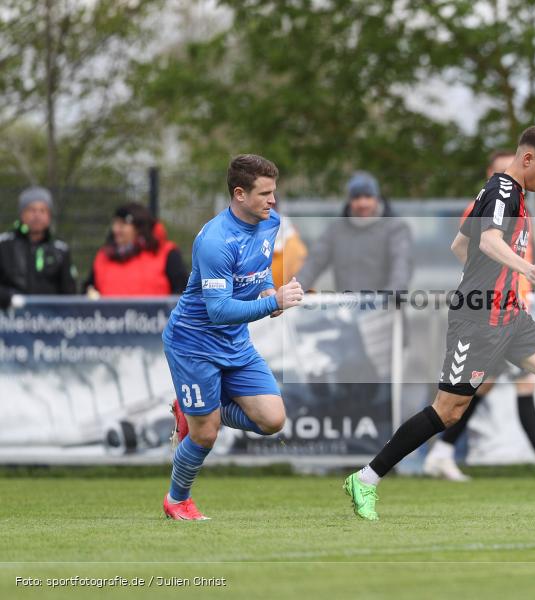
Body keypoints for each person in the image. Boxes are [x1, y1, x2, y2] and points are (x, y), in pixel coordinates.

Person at [343, 124, 535, 520]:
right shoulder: (503, 191)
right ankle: (366, 478)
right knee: (447, 411)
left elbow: (460, 245)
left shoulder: (509, 194)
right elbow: (487, 242)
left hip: (509, 313)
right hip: (478, 319)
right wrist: (524, 269)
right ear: (528, 158)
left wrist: (496, 279)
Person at [422, 150, 535, 481]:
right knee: (466, 396)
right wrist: (487, 294)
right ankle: (440, 452)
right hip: (490, 315)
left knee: (505, 387)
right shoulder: (485, 204)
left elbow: (530, 260)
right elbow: (470, 251)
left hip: (516, 312)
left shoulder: (522, 209)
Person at [161, 154, 305, 520]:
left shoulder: (270, 222)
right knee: (205, 435)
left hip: (234, 342)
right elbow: (218, 311)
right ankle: (177, 499)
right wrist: (273, 301)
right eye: (265, 193)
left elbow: (257, 277)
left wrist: (269, 296)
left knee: (273, 420)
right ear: (239, 194)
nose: (273, 201)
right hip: (193, 343)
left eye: (274, 192)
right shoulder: (215, 240)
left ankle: (195, 411)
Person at [296, 171, 412, 293]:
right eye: (357, 197)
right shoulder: (336, 230)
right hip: (347, 308)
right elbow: (313, 263)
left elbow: (401, 263)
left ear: (376, 198)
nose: (362, 203)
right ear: (350, 200)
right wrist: (295, 291)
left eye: (368, 196)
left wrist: (395, 290)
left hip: (385, 307)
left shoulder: (395, 228)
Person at [85, 203, 188, 296]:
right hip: (108, 317)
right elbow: (88, 291)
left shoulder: (166, 253)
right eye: (115, 224)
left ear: (139, 228)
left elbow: (182, 292)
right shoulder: (104, 255)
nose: (115, 229)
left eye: (122, 225)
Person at [0, 186, 77, 308]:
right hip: (10, 319)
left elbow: (69, 293)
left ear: (49, 216)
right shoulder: (4, 245)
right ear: (22, 214)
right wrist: (7, 298)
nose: (37, 215)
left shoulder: (60, 249)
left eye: (43, 210)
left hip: (48, 321)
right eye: (31, 210)